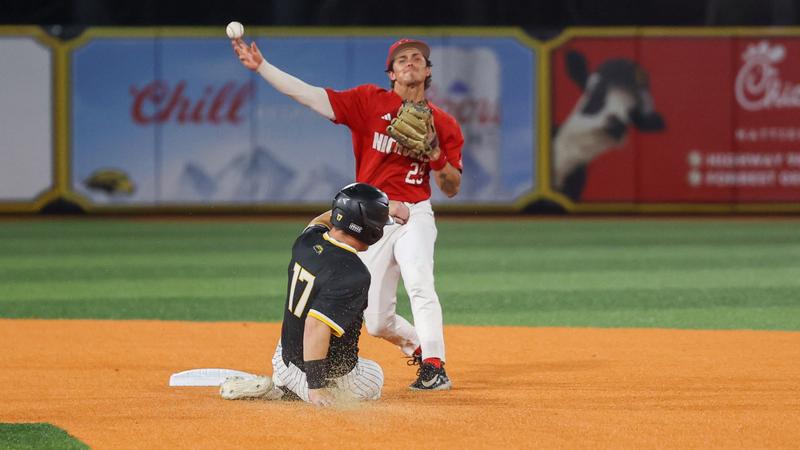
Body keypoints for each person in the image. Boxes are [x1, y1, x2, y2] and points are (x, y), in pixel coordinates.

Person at [232, 36, 464, 390]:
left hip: (415, 212)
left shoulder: (444, 123)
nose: (411, 62)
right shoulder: (368, 102)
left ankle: (434, 365)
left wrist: (435, 154)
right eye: (402, 59)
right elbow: (309, 95)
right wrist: (263, 67)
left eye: (418, 57)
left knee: (419, 279)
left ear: (428, 69)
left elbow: (451, 186)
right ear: (391, 73)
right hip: (373, 217)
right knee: (376, 321)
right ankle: (417, 344)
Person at [220, 182, 394, 406]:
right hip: (314, 372)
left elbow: (318, 222)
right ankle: (297, 391)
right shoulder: (353, 273)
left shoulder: (308, 240)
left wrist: (347, 208)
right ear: (371, 229)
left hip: (283, 360)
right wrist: (316, 388)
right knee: (375, 376)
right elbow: (316, 325)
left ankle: (283, 383)